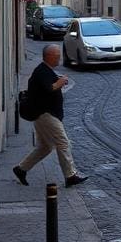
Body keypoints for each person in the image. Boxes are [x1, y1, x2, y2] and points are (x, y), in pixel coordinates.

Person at [13, 45, 88, 188]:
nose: (59, 58)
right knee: (63, 142)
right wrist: (59, 82)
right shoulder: (41, 72)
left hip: (44, 114)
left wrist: (58, 80)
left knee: (45, 147)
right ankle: (70, 175)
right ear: (49, 56)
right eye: (57, 56)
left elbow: (48, 86)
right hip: (45, 114)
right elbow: (50, 88)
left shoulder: (45, 71)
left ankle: (21, 169)